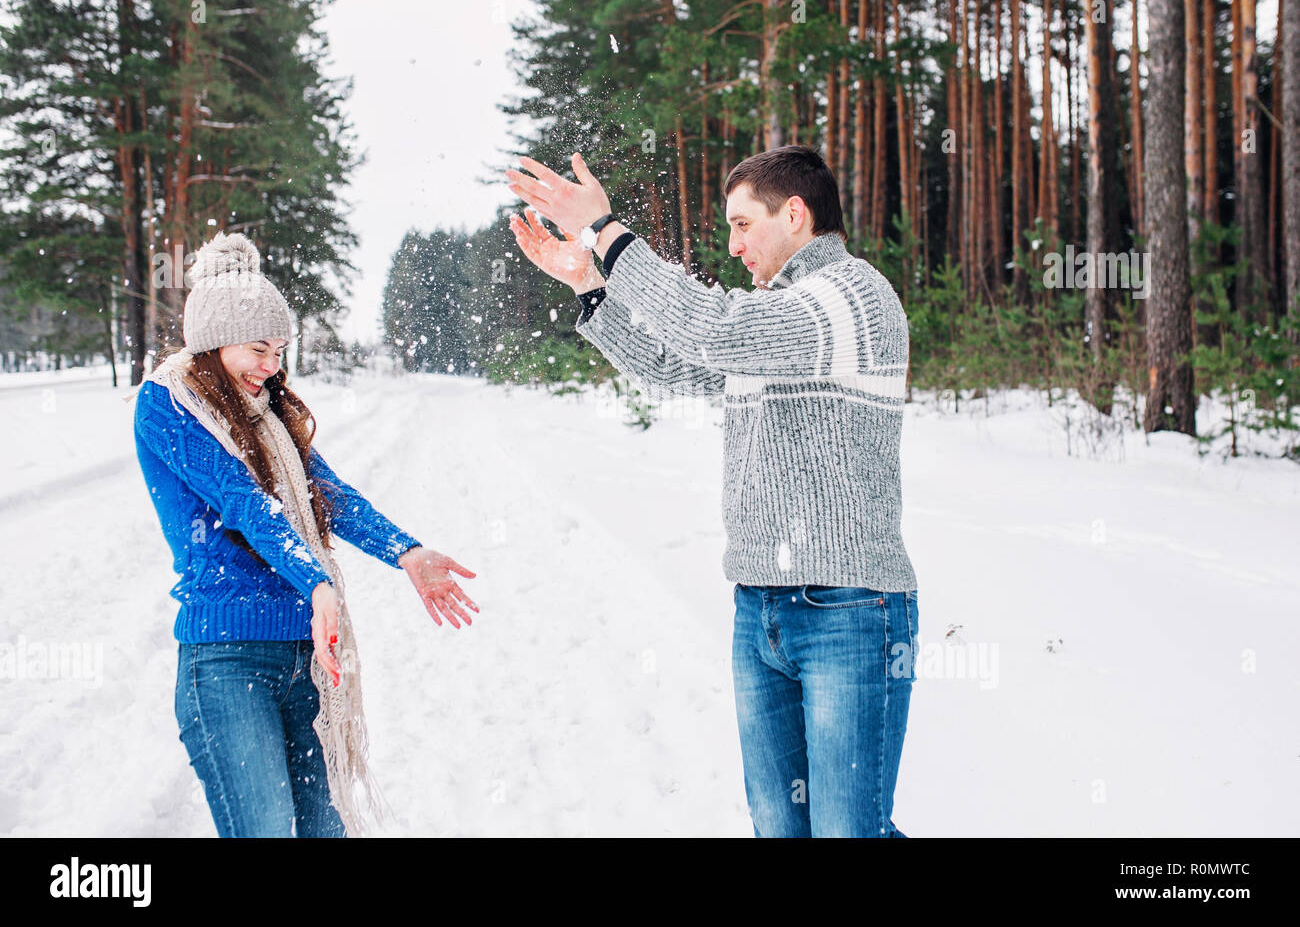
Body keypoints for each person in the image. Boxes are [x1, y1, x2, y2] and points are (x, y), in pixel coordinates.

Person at [506, 144, 919, 837]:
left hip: (848, 610)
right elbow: (678, 368)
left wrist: (608, 233)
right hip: (760, 609)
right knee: (781, 829)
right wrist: (591, 287)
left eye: (742, 223)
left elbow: (712, 328)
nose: (732, 246)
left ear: (795, 213)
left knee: (850, 831)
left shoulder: (849, 297)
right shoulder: (778, 318)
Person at [131, 231, 479, 838]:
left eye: (280, 351)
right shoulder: (167, 403)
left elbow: (330, 496)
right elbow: (246, 503)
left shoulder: (266, 412)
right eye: (258, 349)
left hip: (308, 656)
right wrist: (317, 581)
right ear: (214, 343)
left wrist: (406, 550)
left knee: (326, 829)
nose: (272, 366)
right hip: (227, 659)